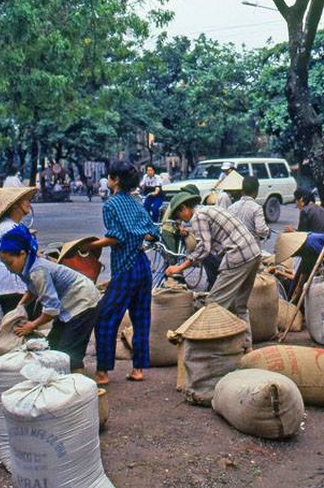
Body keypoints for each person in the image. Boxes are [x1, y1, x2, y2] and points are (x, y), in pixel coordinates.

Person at [91, 160, 160, 385]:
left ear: (115, 180)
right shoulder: (137, 202)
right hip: (142, 265)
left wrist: (92, 246)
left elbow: (116, 237)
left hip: (125, 267)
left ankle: (102, 372)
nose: (108, 180)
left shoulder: (110, 205)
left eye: (110, 176)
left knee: (105, 317)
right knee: (141, 318)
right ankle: (138, 369)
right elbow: (152, 233)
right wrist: (136, 236)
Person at [164, 192, 262, 349]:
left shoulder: (197, 216)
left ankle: (213, 349)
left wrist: (179, 267)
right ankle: (246, 347)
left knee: (214, 303)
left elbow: (203, 248)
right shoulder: (208, 210)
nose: (182, 219)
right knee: (239, 306)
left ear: (184, 208)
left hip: (238, 256)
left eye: (180, 215)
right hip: (253, 253)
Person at [0, 224, 100, 372]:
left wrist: (32, 325)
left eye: (10, 263)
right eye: (5, 264)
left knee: (68, 353)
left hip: (83, 301)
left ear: (22, 253)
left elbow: (52, 310)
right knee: (52, 346)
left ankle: (78, 385)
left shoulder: (37, 271)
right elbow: (33, 290)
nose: (8, 268)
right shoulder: (26, 266)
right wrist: (19, 307)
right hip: (69, 303)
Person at [0, 185, 38, 313]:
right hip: (12, 286)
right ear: (15, 205)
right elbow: (21, 258)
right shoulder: (8, 227)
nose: (29, 203)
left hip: (16, 285)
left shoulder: (17, 226)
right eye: (25, 199)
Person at [227, 175, 270, 241]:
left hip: (233, 245)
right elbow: (261, 230)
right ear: (256, 191)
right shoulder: (256, 208)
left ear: (242, 190)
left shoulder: (231, 207)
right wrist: (267, 231)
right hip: (250, 246)